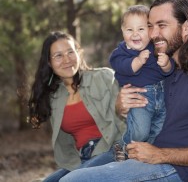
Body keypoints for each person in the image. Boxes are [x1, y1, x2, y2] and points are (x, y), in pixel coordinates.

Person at [59, 0, 188, 182]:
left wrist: (161, 155)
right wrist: (121, 106)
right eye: (150, 26)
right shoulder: (162, 66)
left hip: (178, 171)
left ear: (186, 28)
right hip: (140, 156)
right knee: (59, 178)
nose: (153, 34)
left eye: (162, 25)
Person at [28, 31, 125, 182]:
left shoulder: (104, 78)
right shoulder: (54, 98)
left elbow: (125, 119)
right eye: (58, 55)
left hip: (113, 151)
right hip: (82, 159)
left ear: (78, 53)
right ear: (49, 62)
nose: (67, 60)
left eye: (70, 52)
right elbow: (65, 143)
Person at [109, 5, 174, 161]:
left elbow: (168, 71)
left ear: (150, 31)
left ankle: (138, 157)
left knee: (157, 131)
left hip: (161, 97)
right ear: (122, 31)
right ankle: (123, 145)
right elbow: (123, 67)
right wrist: (137, 61)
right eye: (129, 30)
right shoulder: (121, 52)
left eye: (141, 29)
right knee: (141, 132)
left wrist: (166, 64)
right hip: (140, 98)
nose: (135, 34)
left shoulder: (156, 48)